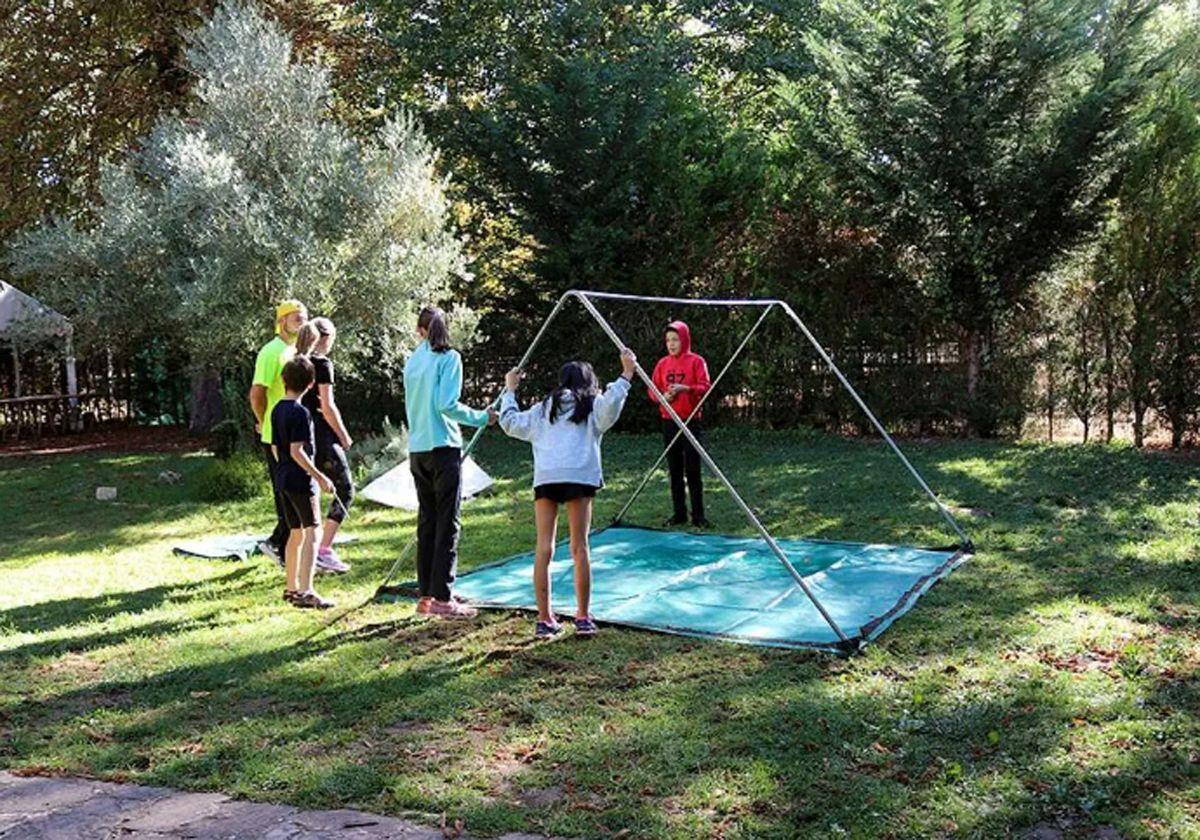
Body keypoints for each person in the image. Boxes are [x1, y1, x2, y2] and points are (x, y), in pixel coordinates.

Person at [500, 348, 636, 638]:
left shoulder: (543, 408)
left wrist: (510, 391)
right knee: (579, 547)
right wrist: (626, 374)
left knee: (544, 547)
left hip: (548, 478)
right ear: (588, 382)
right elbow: (611, 406)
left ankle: (544, 619)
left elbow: (510, 422)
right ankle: (583, 617)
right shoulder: (590, 406)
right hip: (578, 476)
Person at [403, 306, 497, 619]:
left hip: (417, 450)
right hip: (443, 448)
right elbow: (446, 404)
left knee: (427, 523)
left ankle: (427, 595)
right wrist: (483, 417)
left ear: (420, 331)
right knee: (447, 523)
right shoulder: (449, 358)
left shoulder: (413, 361)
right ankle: (443, 598)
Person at [270, 356, 336, 609]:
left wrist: (284, 470)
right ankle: (307, 590)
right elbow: (298, 451)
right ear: (310, 384)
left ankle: (290, 588)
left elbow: (277, 448)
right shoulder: (301, 412)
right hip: (300, 480)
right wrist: (319, 477)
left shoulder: (277, 409)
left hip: (283, 477)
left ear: (284, 380)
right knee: (312, 532)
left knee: (295, 533)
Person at [249, 300, 308, 562]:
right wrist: (263, 422)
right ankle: (277, 544)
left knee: (293, 489)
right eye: (295, 316)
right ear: (281, 320)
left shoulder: (295, 350)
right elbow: (257, 393)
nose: (301, 320)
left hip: (292, 430)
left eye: (304, 317)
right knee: (284, 491)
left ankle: (284, 546)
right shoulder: (270, 352)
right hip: (276, 434)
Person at [296, 318, 354, 574]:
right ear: (325, 337)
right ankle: (324, 550)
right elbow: (328, 406)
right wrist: (343, 435)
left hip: (303, 435)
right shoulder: (322, 364)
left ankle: (310, 549)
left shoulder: (297, 361)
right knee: (346, 489)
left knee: (314, 492)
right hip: (322, 435)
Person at [649, 320, 711, 527]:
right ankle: (679, 513)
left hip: (691, 420)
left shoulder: (696, 361)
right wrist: (662, 397)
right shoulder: (662, 364)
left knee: (693, 469)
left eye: (675, 339)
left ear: (684, 339)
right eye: (668, 340)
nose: (671, 344)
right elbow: (652, 389)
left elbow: (705, 387)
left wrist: (687, 389)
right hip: (669, 421)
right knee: (674, 469)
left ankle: (699, 515)